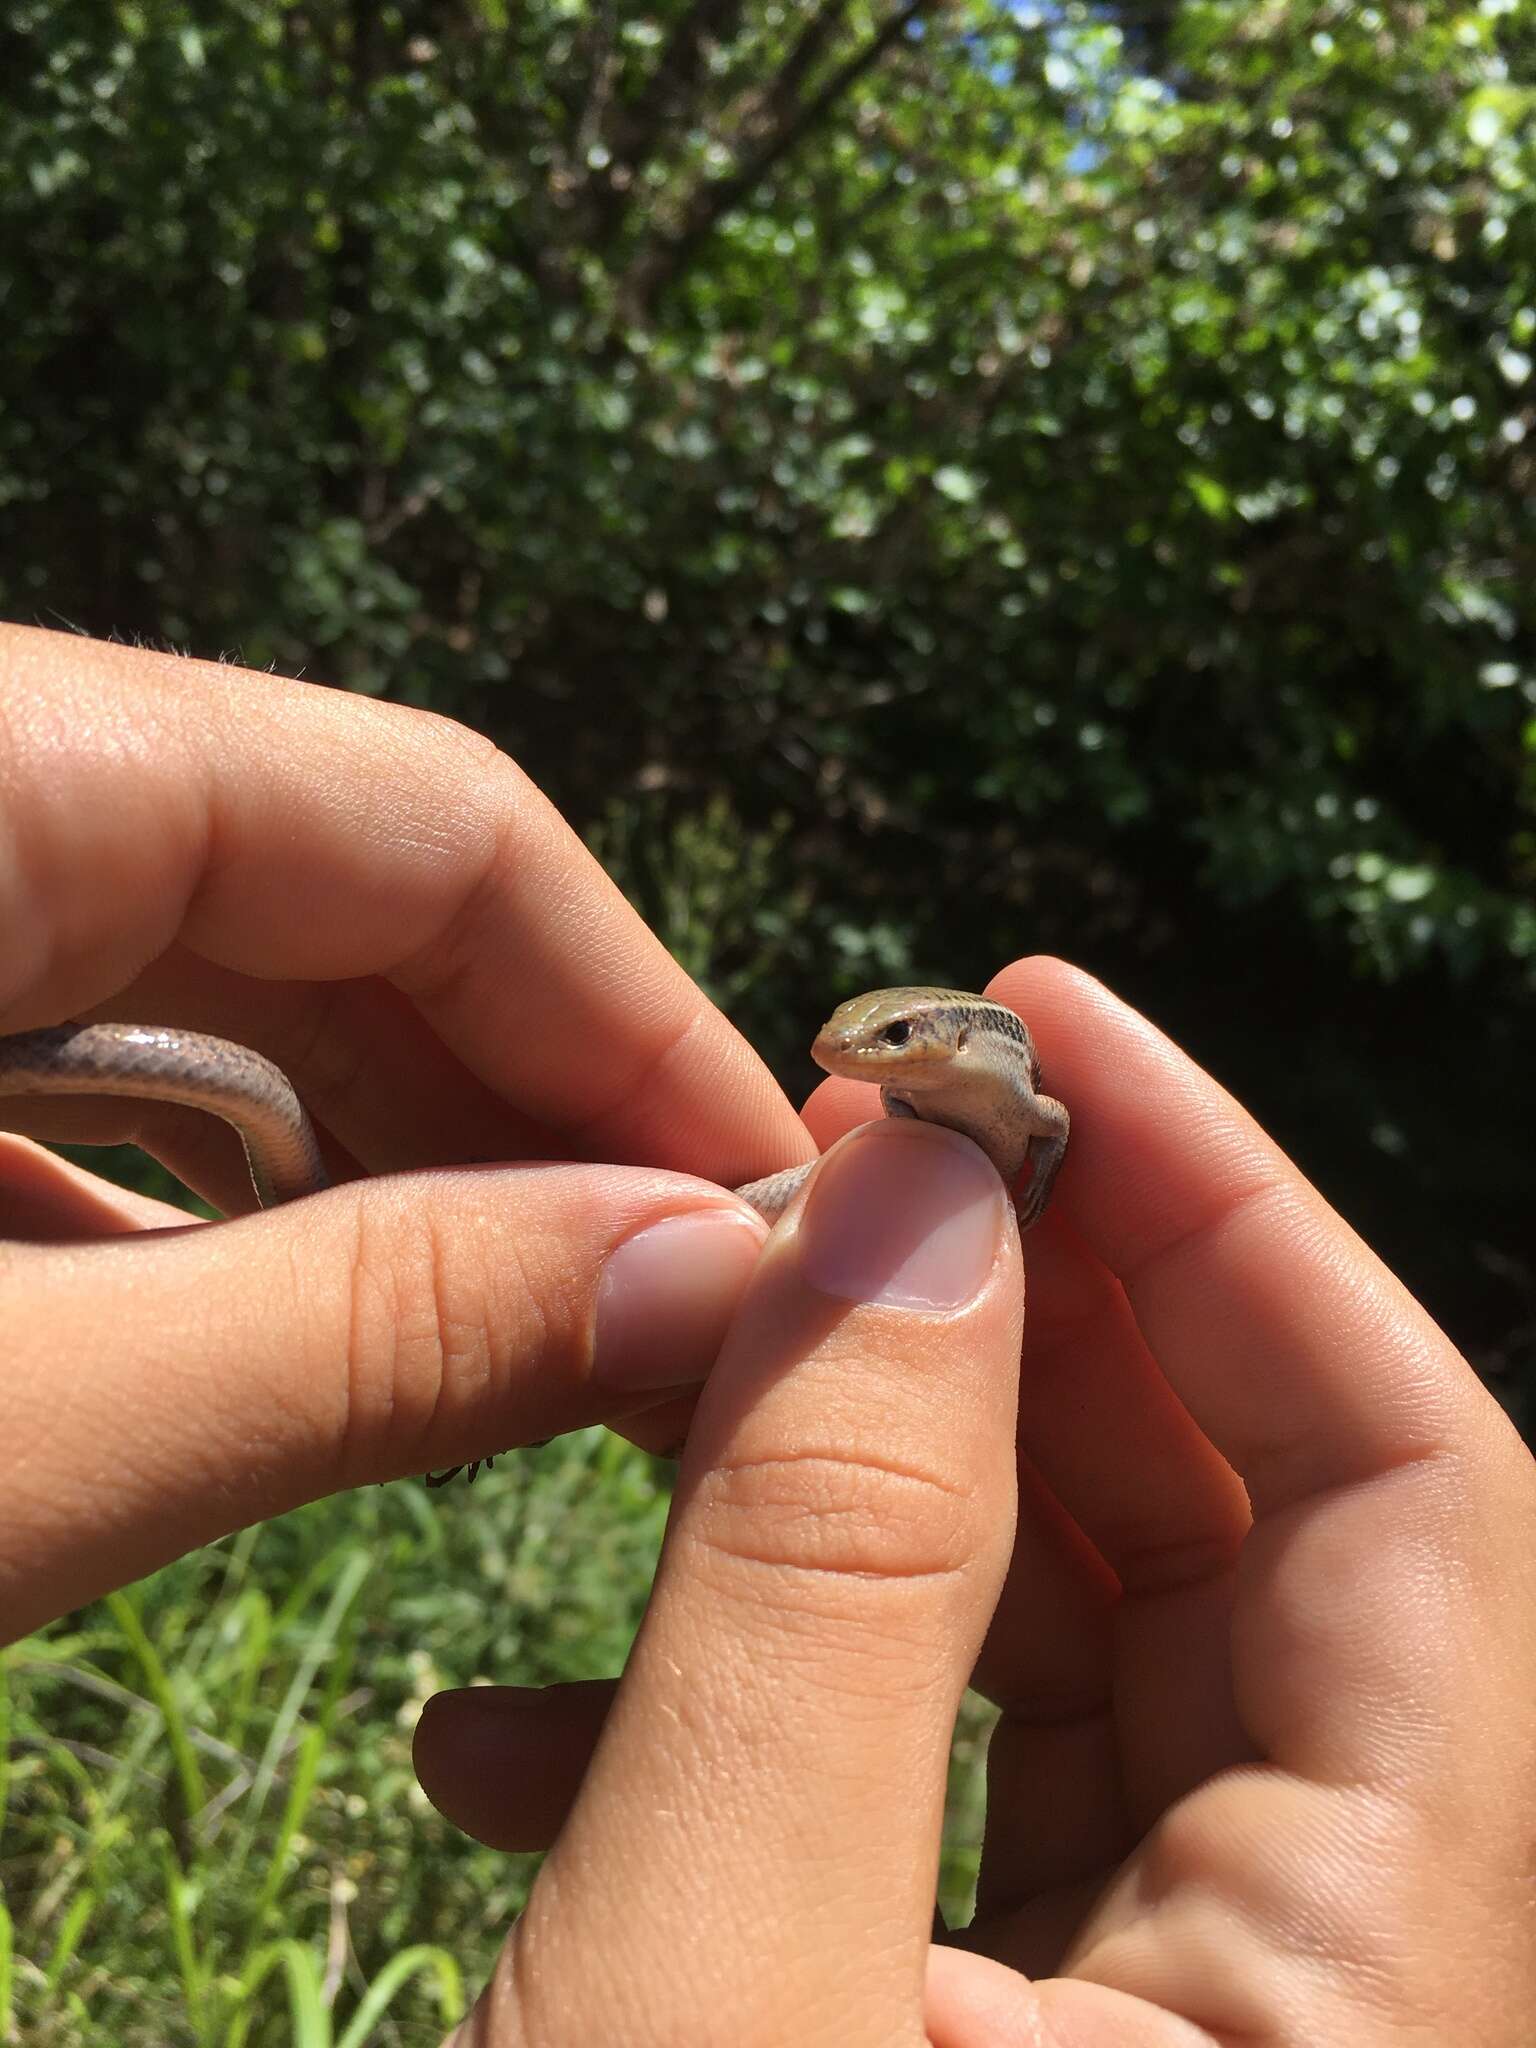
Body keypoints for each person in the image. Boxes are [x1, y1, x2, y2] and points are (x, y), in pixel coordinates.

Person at [1, 621, 1531, 2047]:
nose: (863, 1060)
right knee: (268, 1102)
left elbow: (1044, 1132)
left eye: (897, 1041)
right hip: (752, 1218)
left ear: (961, 1047)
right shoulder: (918, 1132)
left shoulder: (1017, 1106)